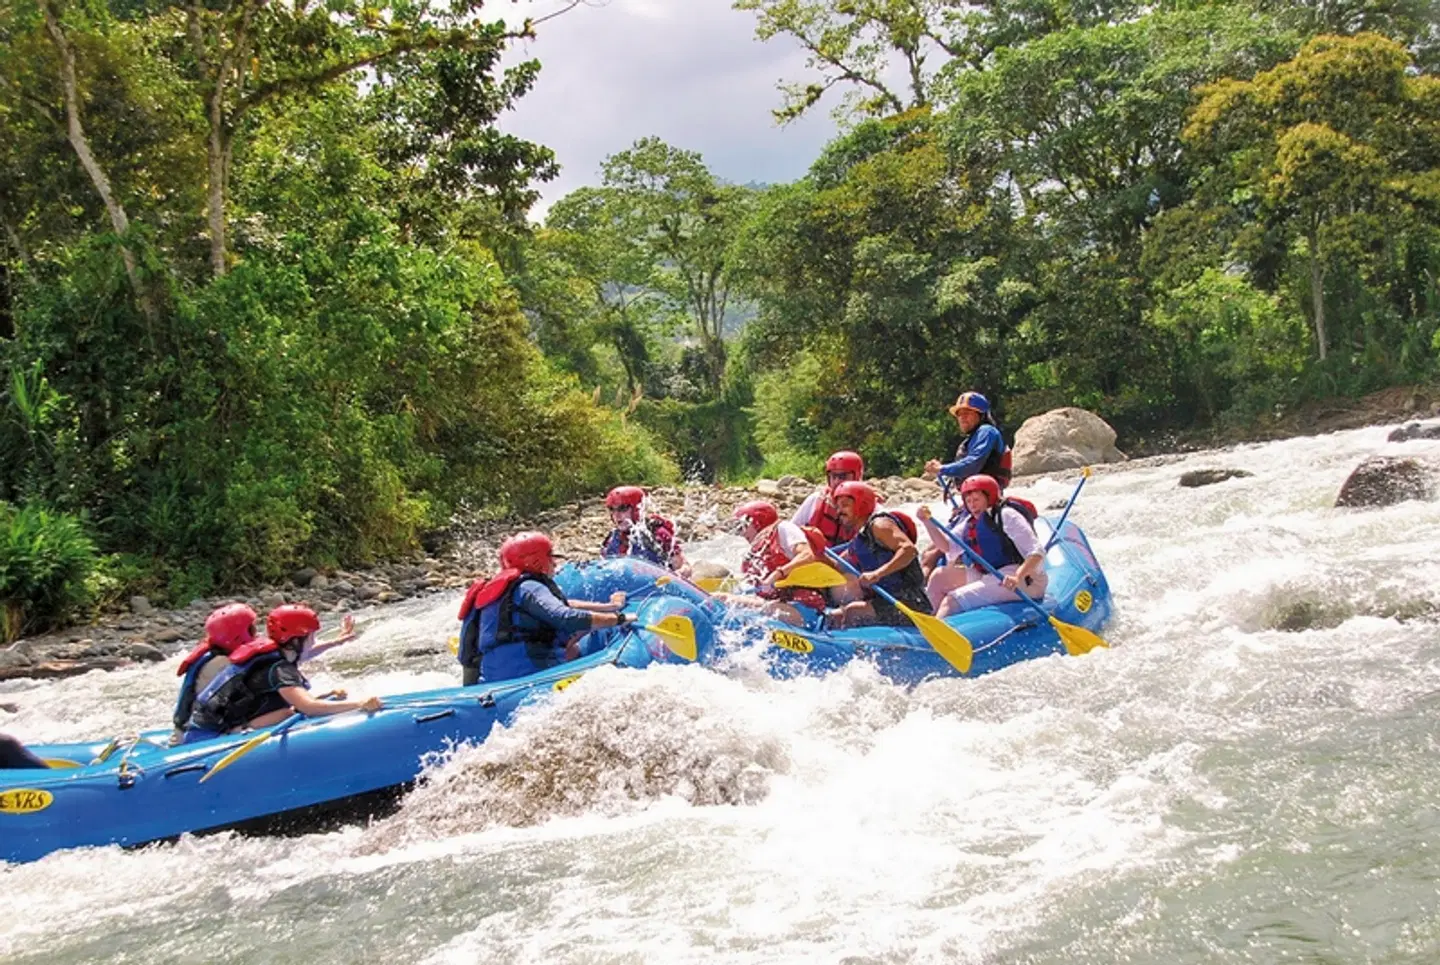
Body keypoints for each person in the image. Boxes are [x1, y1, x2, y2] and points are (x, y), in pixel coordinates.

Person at [181, 605, 382, 744]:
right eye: (312, 637)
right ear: (296, 641)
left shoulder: (275, 657)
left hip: (205, 729)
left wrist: (339, 641)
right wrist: (359, 704)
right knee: (288, 712)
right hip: (210, 738)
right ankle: (235, 733)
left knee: (290, 710)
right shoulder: (280, 669)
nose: (313, 642)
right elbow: (309, 707)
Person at [456, 531, 633, 685]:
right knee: (602, 633)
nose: (555, 563)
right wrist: (619, 619)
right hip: (534, 675)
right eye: (550, 556)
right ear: (536, 560)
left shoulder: (492, 591)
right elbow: (566, 617)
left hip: (493, 681)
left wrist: (609, 607)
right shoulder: (530, 586)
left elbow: (562, 604)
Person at [917, 474, 1047, 618]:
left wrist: (1017, 576)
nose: (972, 505)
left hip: (1022, 579)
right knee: (938, 576)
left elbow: (1036, 552)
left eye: (976, 500)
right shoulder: (970, 522)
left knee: (951, 601)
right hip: (990, 575)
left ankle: (937, 635)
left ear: (989, 497)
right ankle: (929, 622)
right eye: (968, 501)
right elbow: (946, 546)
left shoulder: (1007, 515)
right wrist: (927, 523)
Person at [827, 481, 933, 628]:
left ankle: (858, 649)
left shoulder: (880, 525)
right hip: (884, 601)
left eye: (845, 505)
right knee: (834, 616)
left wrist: (877, 574)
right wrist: (817, 550)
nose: (839, 511)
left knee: (852, 611)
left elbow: (909, 550)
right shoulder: (859, 540)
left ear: (861, 505)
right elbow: (838, 565)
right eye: (837, 507)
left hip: (910, 602)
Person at [713, 500, 829, 627]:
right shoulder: (753, 554)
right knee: (727, 601)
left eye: (744, 526)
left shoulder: (784, 528)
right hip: (777, 605)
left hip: (803, 610)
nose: (742, 532)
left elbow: (807, 555)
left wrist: (778, 573)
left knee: (723, 599)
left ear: (758, 522)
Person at [169, 603, 258, 745]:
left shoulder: (212, 656)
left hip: (189, 728)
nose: (256, 634)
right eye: (251, 629)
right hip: (196, 736)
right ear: (238, 635)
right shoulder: (222, 664)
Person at [923, 391, 1012, 490]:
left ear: (981, 415)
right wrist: (940, 469)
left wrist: (942, 469)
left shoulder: (987, 431)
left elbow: (973, 464)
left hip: (986, 496)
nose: (962, 418)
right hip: (976, 496)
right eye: (959, 414)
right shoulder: (970, 440)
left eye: (967, 413)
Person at [600, 486, 691, 576]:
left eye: (623, 508)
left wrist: (677, 575)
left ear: (637, 509)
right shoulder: (611, 540)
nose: (616, 515)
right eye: (612, 509)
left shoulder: (657, 534)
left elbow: (685, 567)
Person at [791, 450, 865, 547]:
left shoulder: (869, 506)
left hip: (848, 559)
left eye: (843, 476)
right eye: (833, 476)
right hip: (816, 556)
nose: (836, 481)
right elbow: (791, 532)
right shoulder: (815, 500)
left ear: (857, 476)